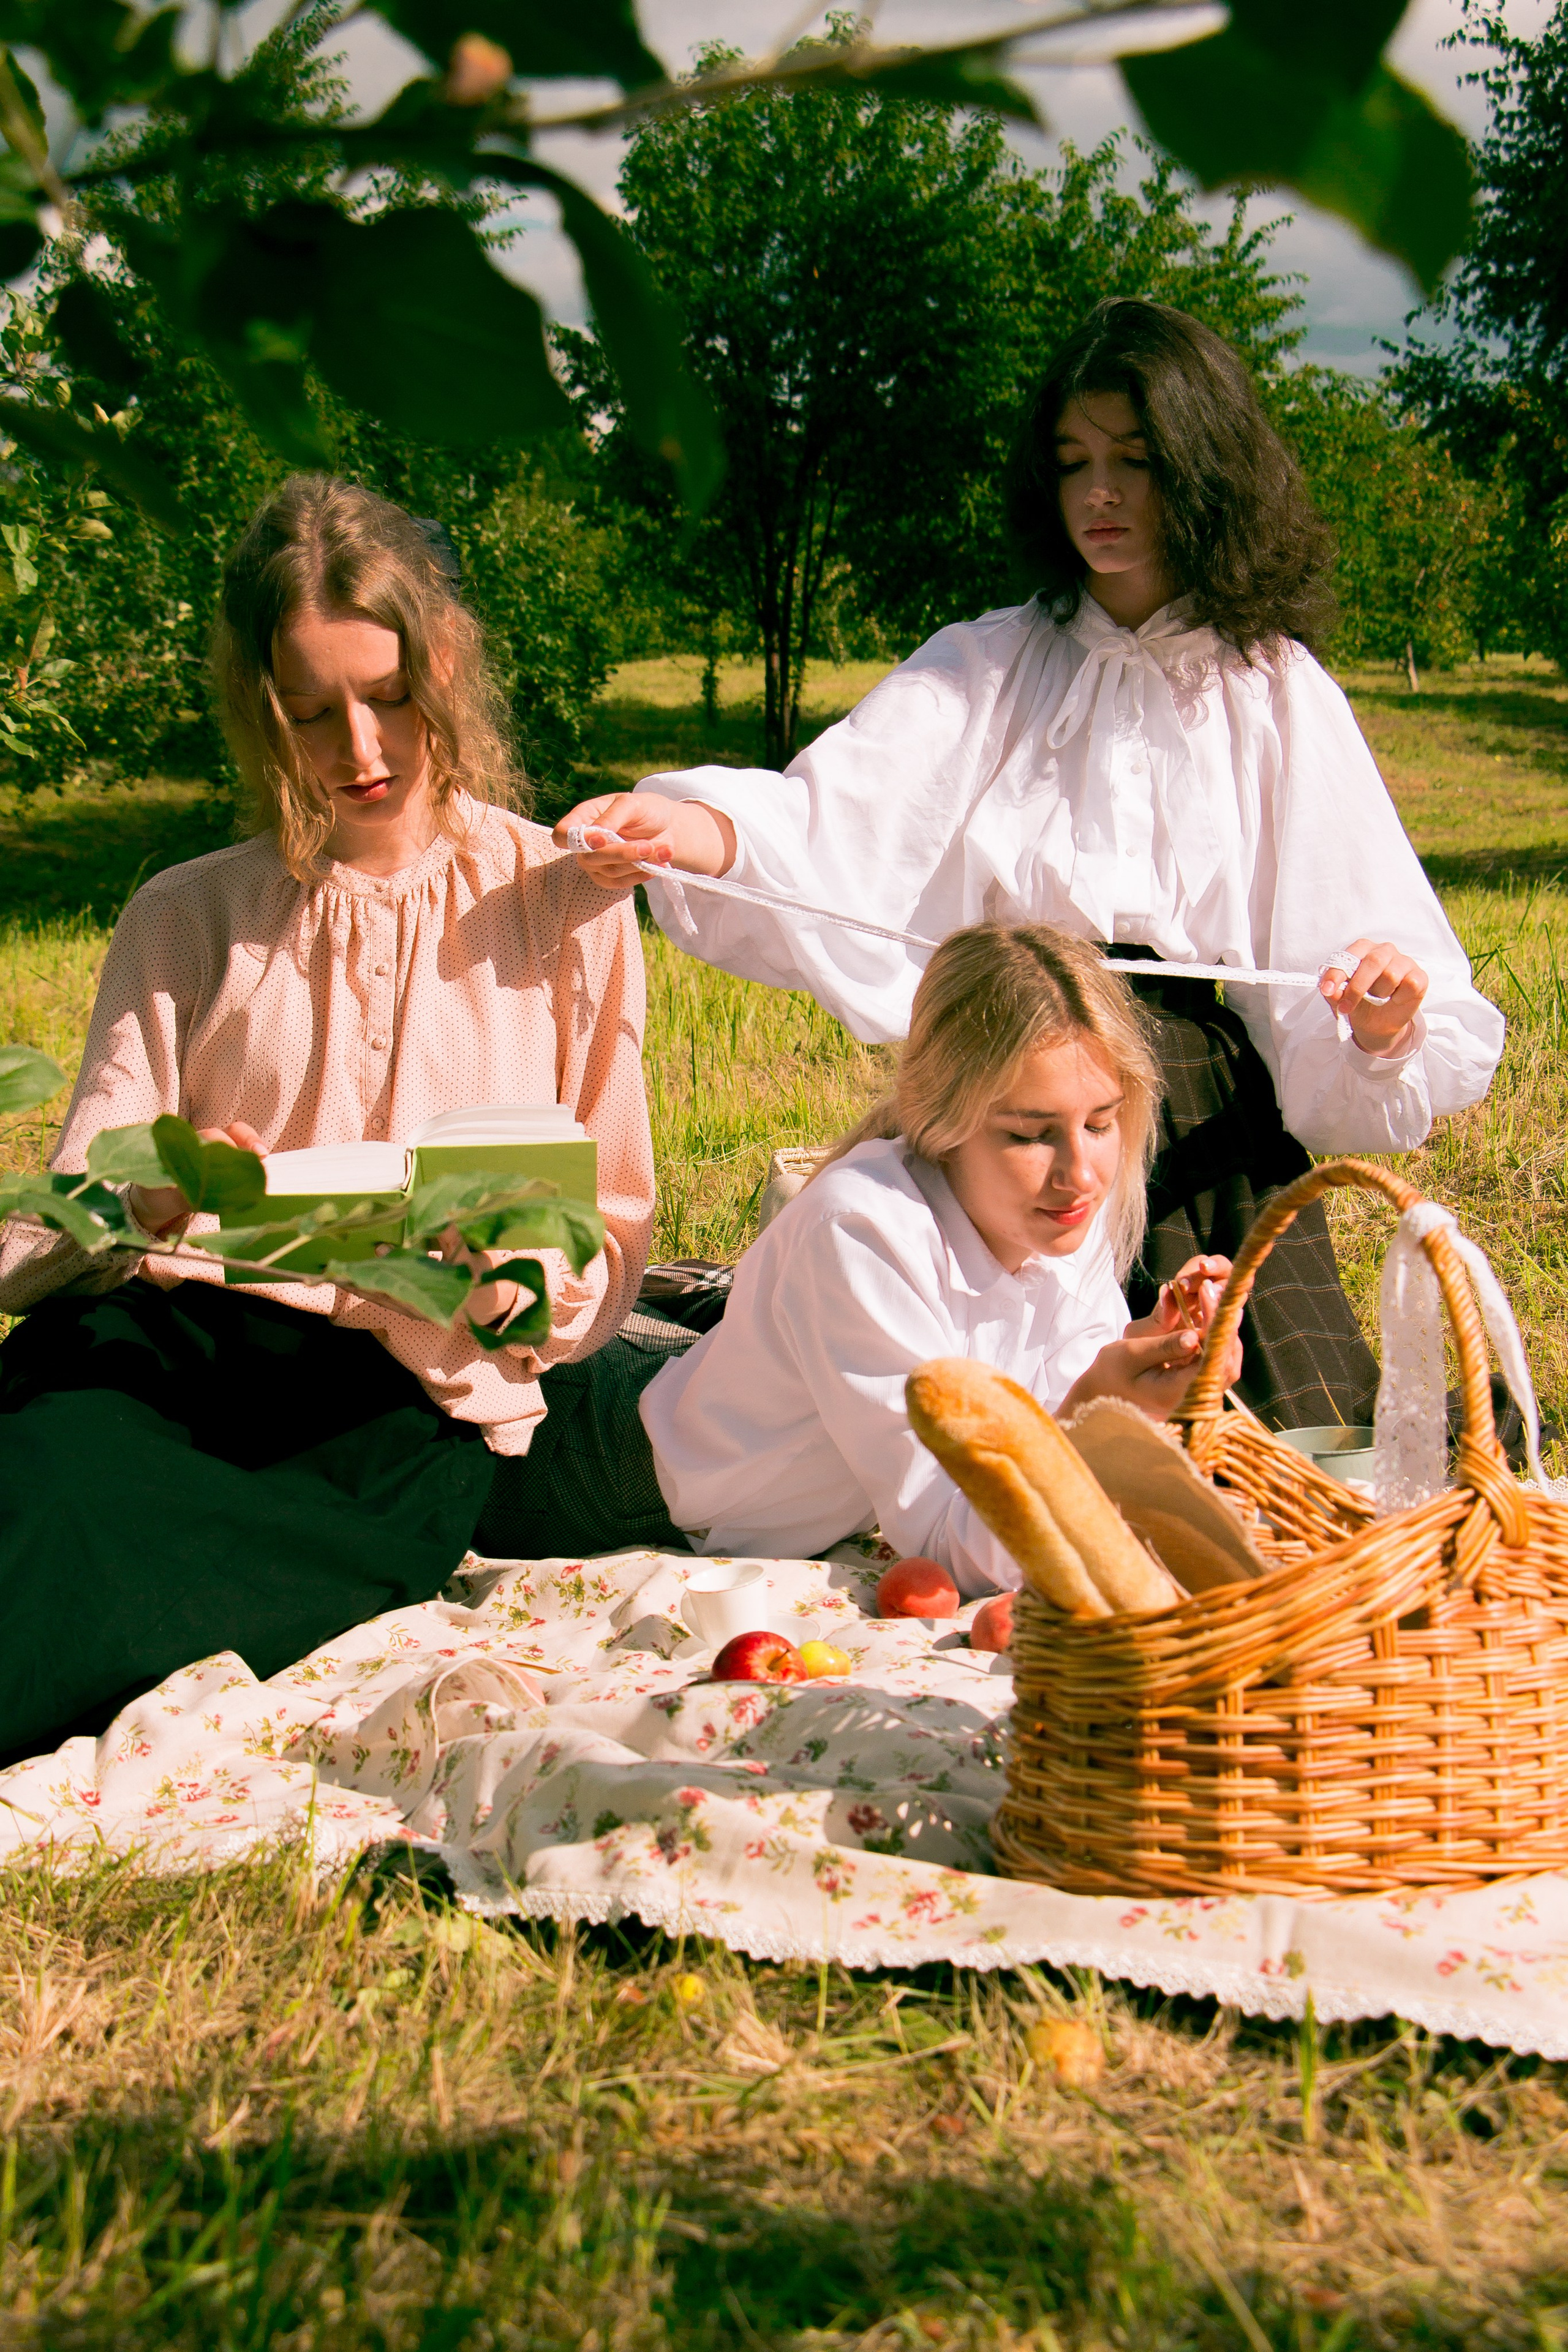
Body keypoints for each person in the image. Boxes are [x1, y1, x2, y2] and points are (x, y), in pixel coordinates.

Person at [559, 299, 1506, 1430]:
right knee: (975, 1410)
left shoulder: (1273, 689)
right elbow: (832, 821)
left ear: (1205, 472)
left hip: (1197, 1111)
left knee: (1282, 1429)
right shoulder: (991, 664)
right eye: (1076, 463)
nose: (1102, 496)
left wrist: (1384, 1022)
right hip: (1009, 1057)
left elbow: (1352, 947)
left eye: (1137, 462)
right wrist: (679, 832)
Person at [0, 475, 657, 1765]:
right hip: (166, 1356)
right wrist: (150, 1195)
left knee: (150, 1593)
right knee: (46, 1493)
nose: (360, 750)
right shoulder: (184, 916)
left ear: (446, 664)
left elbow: (619, 1225)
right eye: (312, 713)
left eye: (389, 697)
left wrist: (540, 1281)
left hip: (393, 1404)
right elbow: (32, 1249)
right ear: (262, 711)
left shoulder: (563, 900)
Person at [638, 923, 1238, 1592]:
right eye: (1030, 1135)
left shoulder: (1060, 1207)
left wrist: (1144, 1363)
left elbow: (1042, 1416)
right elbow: (953, 1547)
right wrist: (1100, 1409)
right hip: (613, 1477)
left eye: (1100, 1124)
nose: (1083, 1174)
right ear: (943, 1128)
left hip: (793, 1460)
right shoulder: (862, 1232)